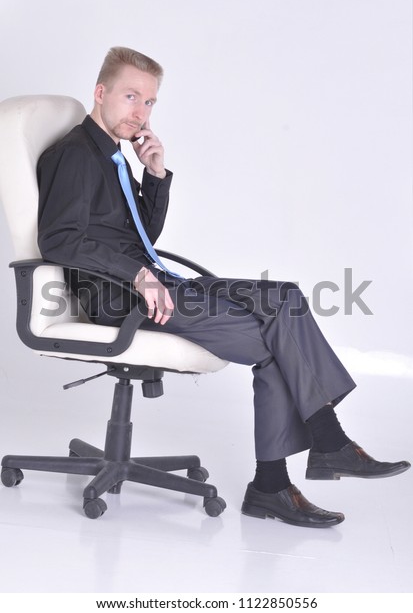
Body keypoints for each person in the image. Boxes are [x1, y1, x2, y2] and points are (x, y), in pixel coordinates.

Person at [37, 46, 410, 528]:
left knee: (286, 298)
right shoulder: (74, 156)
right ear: (101, 92)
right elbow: (59, 240)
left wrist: (154, 176)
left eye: (150, 102)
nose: (140, 111)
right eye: (131, 96)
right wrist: (137, 274)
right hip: (119, 300)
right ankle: (293, 469)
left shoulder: (114, 156)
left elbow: (140, 238)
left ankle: (306, 460)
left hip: (156, 285)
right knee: (278, 343)